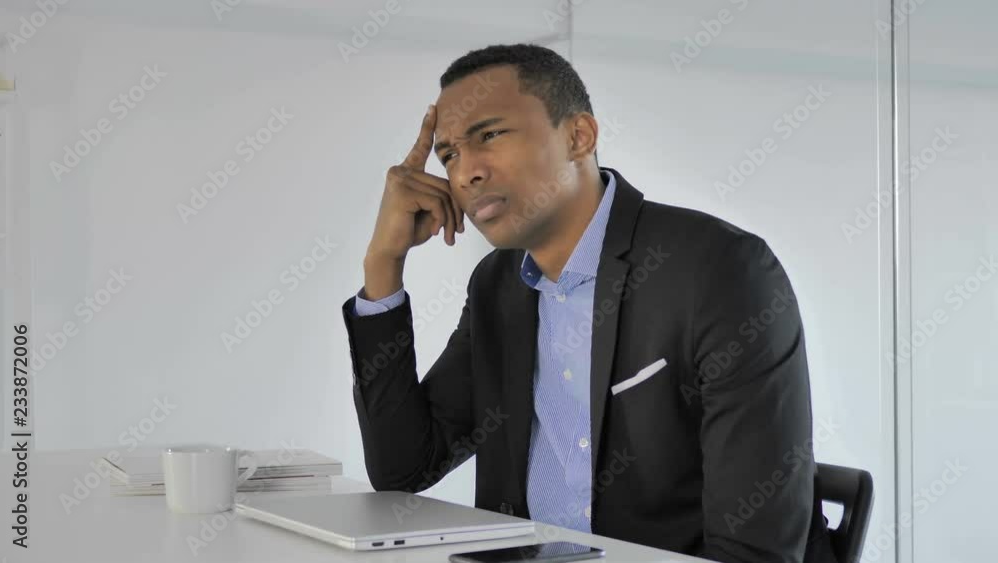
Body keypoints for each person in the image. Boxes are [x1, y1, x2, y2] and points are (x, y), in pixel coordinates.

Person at [341, 43, 836, 563]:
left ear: (578, 136)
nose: (465, 173)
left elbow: (752, 549)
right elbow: (404, 468)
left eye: (488, 135)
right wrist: (383, 264)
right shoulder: (499, 285)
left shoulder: (719, 269)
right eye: (450, 155)